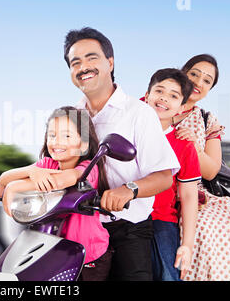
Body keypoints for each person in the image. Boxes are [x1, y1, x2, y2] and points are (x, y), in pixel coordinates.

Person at [63, 27, 180, 281]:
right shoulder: (71, 116)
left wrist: (129, 189)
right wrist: (10, 179)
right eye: (76, 62)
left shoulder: (139, 113)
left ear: (110, 62)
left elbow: (163, 176)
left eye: (92, 58)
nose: (84, 66)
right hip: (81, 227)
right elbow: (51, 161)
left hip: (129, 229)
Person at [0, 106, 113, 281]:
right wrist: (32, 173)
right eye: (52, 135)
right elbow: (5, 176)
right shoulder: (48, 164)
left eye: (67, 135)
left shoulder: (89, 168)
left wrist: (14, 186)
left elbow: (62, 180)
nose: (57, 141)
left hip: (89, 253)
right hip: (53, 248)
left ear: (84, 144)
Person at [172, 54, 230, 280]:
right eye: (194, 74)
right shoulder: (158, 104)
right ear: (182, 73)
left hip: (195, 191)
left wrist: (193, 145)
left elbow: (210, 170)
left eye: (207, 80)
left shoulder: (206, 120)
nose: (198, 83)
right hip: (159, 187)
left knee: (219, 222)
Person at [143, 68, 200, 281]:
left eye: (173, 96)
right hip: (124, 216)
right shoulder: (126, 131)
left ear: (182, 107)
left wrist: (187, 244)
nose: (164, 99)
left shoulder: (184, 144)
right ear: (146, 95)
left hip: (161, 219)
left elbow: (188, 195)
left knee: (168, 273)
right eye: (159, 91)